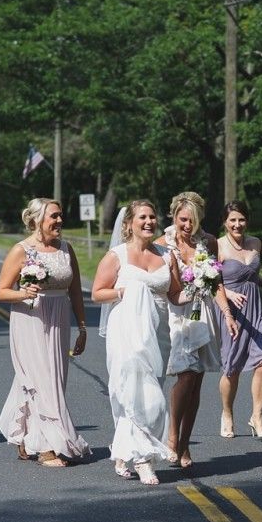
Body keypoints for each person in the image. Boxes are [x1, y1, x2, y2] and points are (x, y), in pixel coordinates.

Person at [92, 200, 184, 485]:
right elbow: (97, 293)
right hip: (127, 332)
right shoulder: (116, 256)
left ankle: (123, 453)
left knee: (152, 388)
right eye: (142, 217)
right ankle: (144, 459)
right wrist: (125, 292)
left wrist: (202, 290)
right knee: (137, 394)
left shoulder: (168, 256)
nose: (148, 221)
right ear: (129, 223)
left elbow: (176, 295)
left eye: (152, 217)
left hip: (158, 333)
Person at [0, 198, 89, 467]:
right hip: (30, 317)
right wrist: (23, 293)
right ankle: (46, 446)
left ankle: (24, 436)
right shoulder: (21, 250)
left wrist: (82, 327)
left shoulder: (66, 249)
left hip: (59, 318)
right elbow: (1, 291)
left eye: (61, 216)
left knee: (55, 379)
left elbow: (75, 291)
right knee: (40, 379)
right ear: (36, 220)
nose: (60, 221)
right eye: (54, 217)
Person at [156, 192, 239, 469]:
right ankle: (172, 436)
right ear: (174, 217)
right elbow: (159, 284)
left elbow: (216, 283)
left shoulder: (209, 243)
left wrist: (227, 314)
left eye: (192, 220)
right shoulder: (162, 245)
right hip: (175, 314)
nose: (187, 226)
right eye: (182, 220)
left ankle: (185, 443)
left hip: (202, 314)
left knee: (197, 381)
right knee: (186, 376)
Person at [216, 202, 262, 439]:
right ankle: (227, 413)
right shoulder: (218, 245)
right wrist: (228, 294)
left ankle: (257, 417)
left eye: (241, 219)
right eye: (232, 220)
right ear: (225, 222)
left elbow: (252, 275)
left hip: (256, 308)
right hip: (231, 311)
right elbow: (212, 281)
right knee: (231, 368)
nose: (237, 224)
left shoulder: (255, 243)